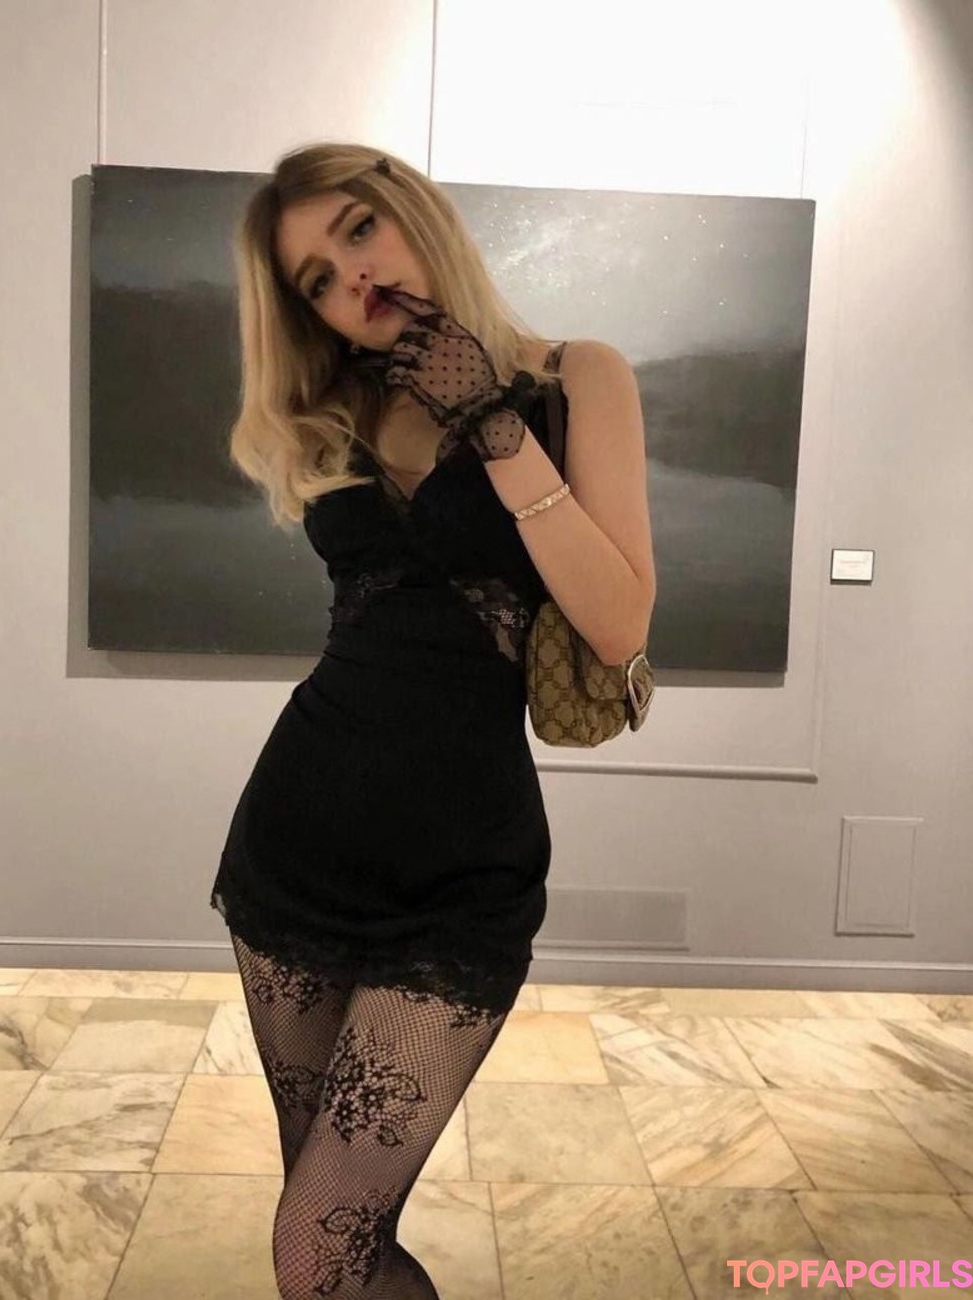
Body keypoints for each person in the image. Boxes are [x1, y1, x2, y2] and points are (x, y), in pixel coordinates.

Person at [210, 142, 655, 1299]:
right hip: (295, 847)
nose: (352, 277)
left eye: (358, 230)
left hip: (461, 874)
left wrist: (496, 428)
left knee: (315, 1245)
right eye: (315, 278)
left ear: (414, 211)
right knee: (332, 1226)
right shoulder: (340, 406)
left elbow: (618, 623)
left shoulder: (579, 378)